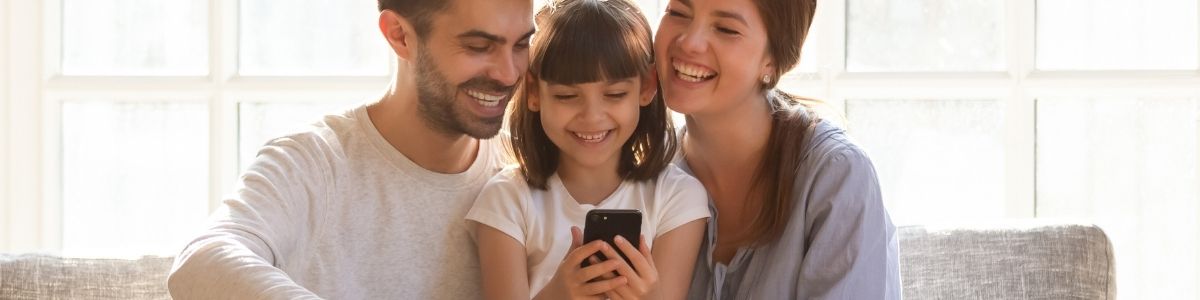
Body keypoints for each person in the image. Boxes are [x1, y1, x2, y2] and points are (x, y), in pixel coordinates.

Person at [166, 0, 534, 298]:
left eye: (520, 45)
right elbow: (202, 260)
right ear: (400, 36)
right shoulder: (312, 163)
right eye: (478, 46)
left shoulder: (525, 174)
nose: (508, 73)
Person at [652, 0, 902, 299]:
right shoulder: (646, 179)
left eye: (726, 28)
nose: (689, 42)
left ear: (772, 60)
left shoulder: (837, 175)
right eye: (678, 13)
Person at [465, 0, 710, 299]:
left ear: (647, 87)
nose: (592, 116)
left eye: (615, 94)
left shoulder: (678, 196)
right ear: (533, 92)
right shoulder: (506, 200)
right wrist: (556, 294)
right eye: (567, 96)